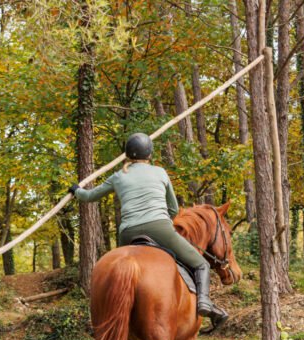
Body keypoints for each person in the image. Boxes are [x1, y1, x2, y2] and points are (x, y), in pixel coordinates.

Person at [69, 132, 228, 326]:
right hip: (159, 228)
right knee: (201, 264)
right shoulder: (160, 172)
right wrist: (165, 223)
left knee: (119, 266)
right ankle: (204, 302)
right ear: (149, 154)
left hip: (127, 233)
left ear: (127, 154)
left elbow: (89, 196)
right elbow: (173, 209)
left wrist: (76, 190)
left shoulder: (118, 176)